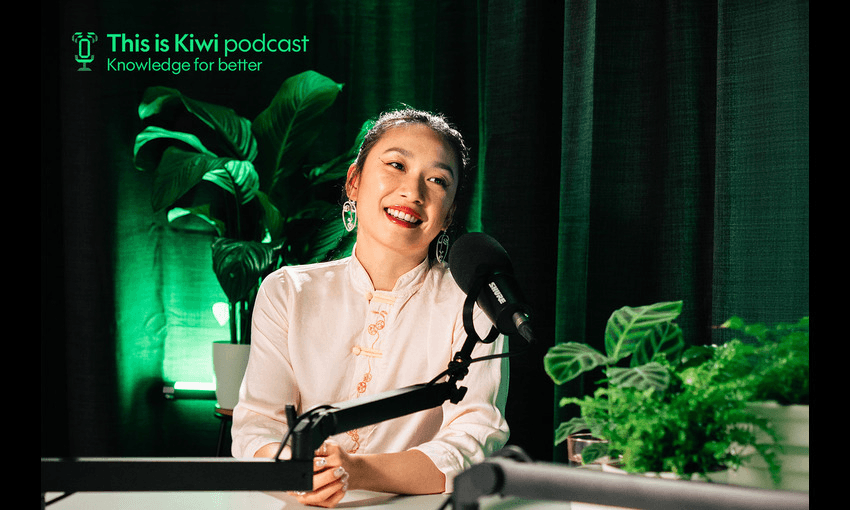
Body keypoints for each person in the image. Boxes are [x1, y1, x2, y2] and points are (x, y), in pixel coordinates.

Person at [231, 108, 510, 508]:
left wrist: (358, 470)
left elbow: (475, 438)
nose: (413, 193)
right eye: (396, 165)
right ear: (354, 182)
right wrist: (302, 475)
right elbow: (257, 427)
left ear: (448, 214)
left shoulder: (473, 303)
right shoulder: (288, 291)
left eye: (436, 180)